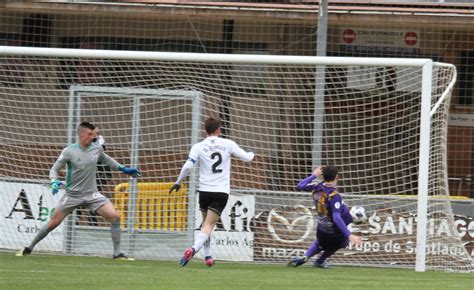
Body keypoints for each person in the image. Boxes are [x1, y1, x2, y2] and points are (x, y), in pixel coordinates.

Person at [16, 121, 141, 260]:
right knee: (53, 223)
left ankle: (117, 253)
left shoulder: (97, 148)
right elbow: (54, 170)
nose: (93, 137)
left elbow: (107, 160)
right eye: (90, 134)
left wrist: (124, 169)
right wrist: (54, 181)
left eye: (94, 135)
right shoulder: (69, 151)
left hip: (92, 194)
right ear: (81, 134)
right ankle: (29, 247)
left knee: (115, 217)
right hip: (72, 195)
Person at [169, 116, 254, 267]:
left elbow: (188, 166)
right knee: (208, 226)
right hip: (220, 192)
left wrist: (178, 182)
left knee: (205, 225)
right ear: (219, 130)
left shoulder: (198, 146)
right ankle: (193, 249)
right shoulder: (227, 144)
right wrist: (252, 154)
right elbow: (246, 158)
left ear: (205, 130)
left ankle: (208, 256)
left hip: (204, 191)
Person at [287, 165, 362, 269]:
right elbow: (336, 217)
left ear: (322, 176)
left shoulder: (317, 187)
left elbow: (300, 185)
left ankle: (306, 256)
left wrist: (314, 175)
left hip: (321, 227)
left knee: (320, 243)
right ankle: (320, 261)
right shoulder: (334, 195)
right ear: (337, 177)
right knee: (342, 241)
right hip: (334, 229)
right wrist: (350, 235)